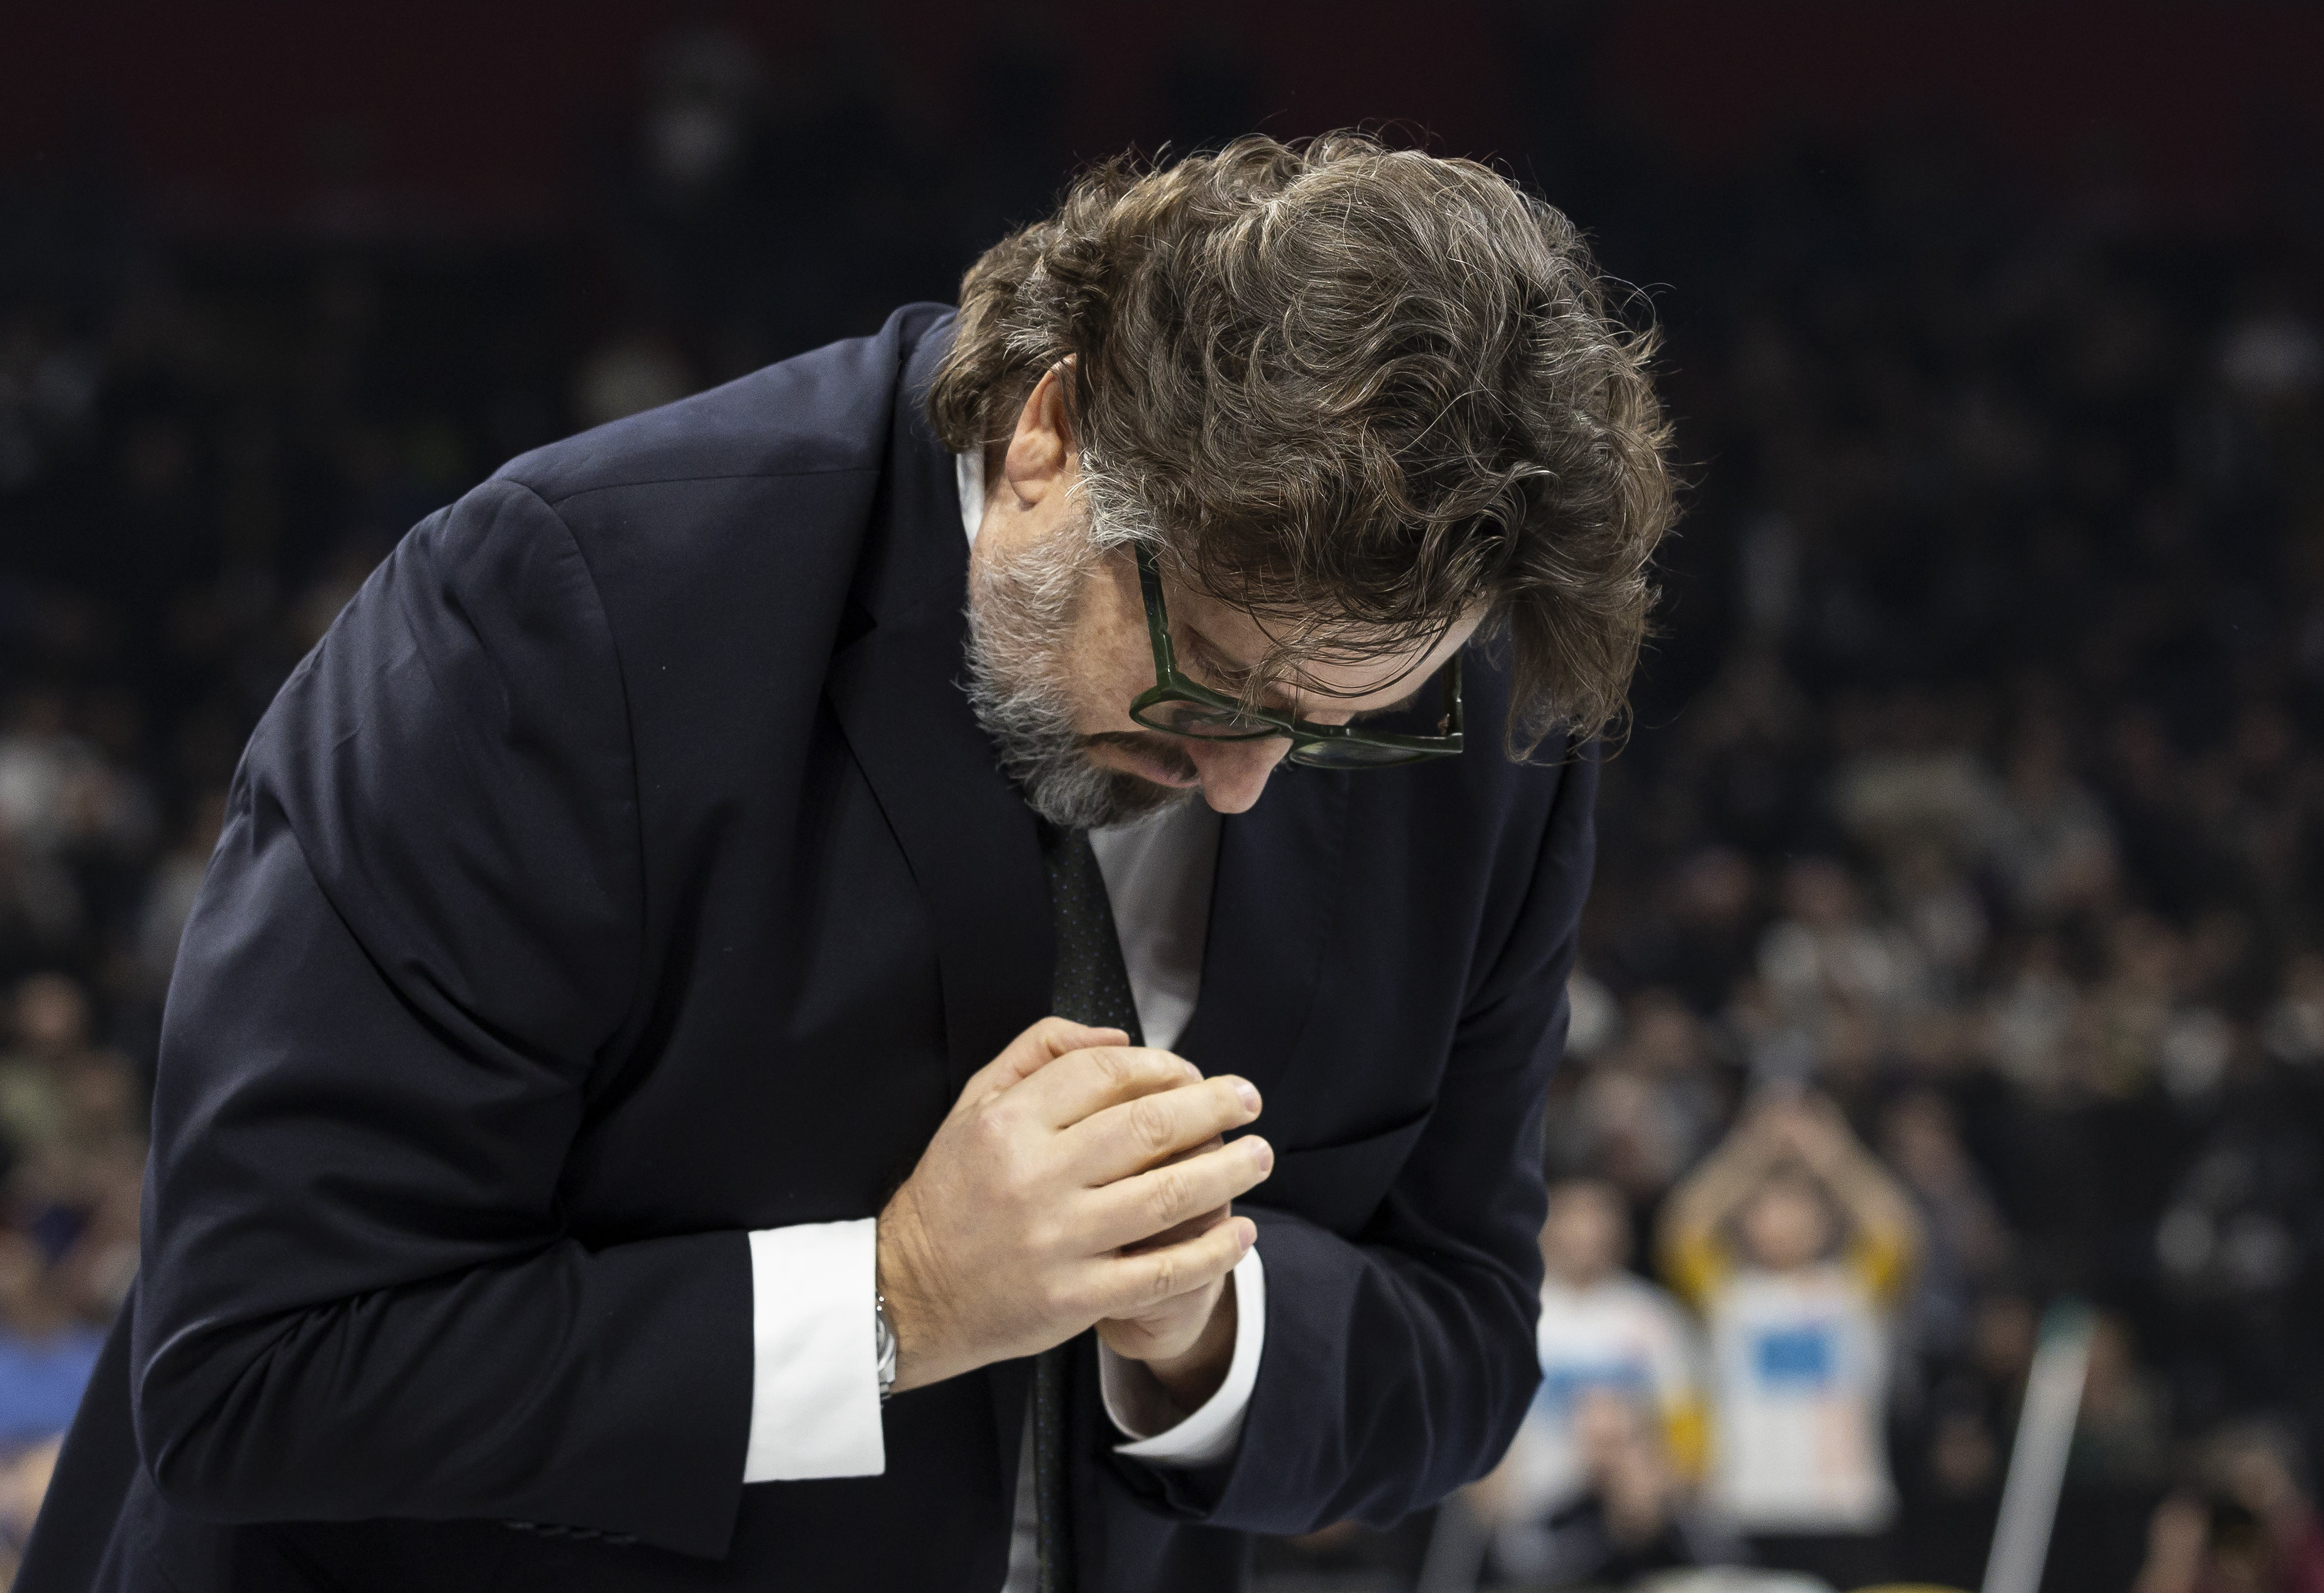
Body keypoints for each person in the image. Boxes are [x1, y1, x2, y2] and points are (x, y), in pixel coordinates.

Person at [23, 134, 1674, 1592]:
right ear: (1054, 436)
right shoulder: (565, 614)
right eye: (1212, 679)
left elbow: (1457, 1341)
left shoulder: (1466, 710)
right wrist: (896, 1294)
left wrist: (1202, 1316)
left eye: (1343, 723)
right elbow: (262, 1367)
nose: (1250, 781)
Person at [1660, 1093, 1920, 1589]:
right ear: (1746, 1222)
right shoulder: (1726, 1294)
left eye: (1799, 1208)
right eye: (1768, 1209)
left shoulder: (1853, 1292)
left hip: (1846, 1505)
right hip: (1747, 1503)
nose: (1783, 1220)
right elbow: (1683, 1228)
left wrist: (1834, 1155)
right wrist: (1749, 1150)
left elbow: (1897, 1230)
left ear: (1825, 1222)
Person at [1472, 1177, 1724, 1585]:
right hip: (1541, 1511)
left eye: (1598, 1218)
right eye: (1573, 1218)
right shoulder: (1515, 1318)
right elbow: (1481, 1423)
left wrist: (1667, 1487)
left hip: (1634, 1515)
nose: (1586, 1233)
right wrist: (1493, 1506)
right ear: (1545, 1225)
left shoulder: (1654, 1315)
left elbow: (1688, 1423)